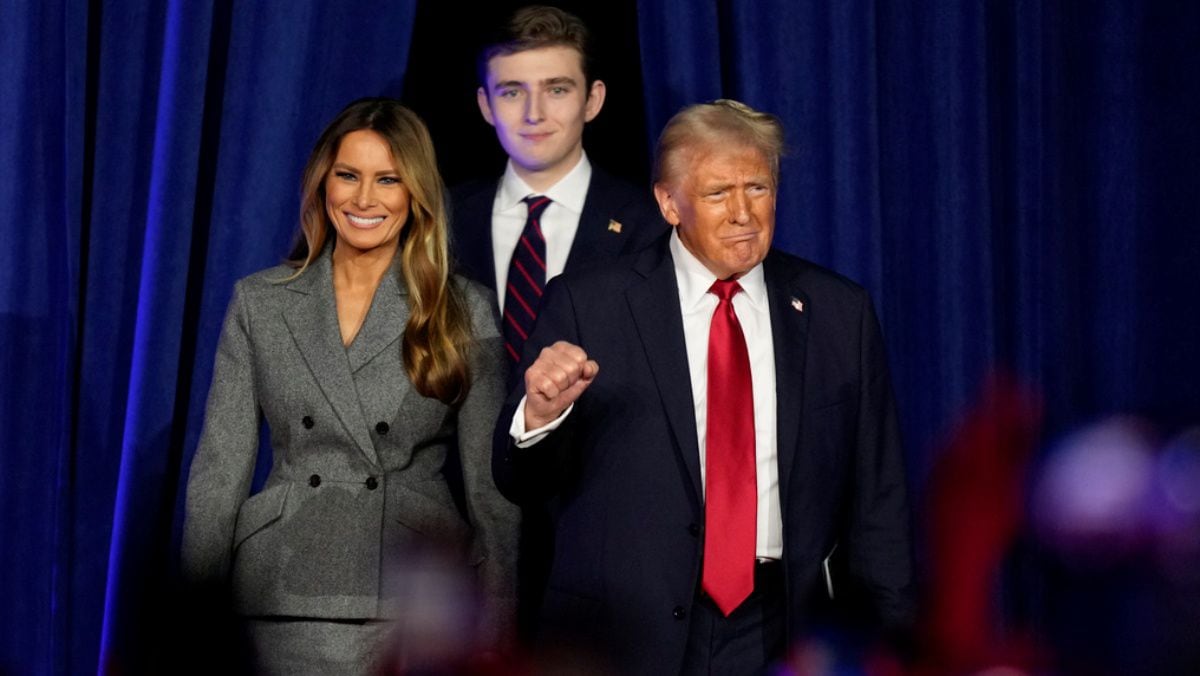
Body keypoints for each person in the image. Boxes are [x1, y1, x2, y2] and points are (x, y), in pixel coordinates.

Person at [493, 99, 916, 674]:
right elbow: (519, 481)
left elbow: (878, 505)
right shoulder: (590, 303)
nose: (744, 212)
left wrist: (889, 649)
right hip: (625, 637)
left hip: (781, 632)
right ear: (670, 203)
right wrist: (540, 414)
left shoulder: (840, 312)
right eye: (719, 193)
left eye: (759, 188)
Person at [181, 98, 517, 674]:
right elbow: (219, 474)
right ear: (322, 183)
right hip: (280, 589)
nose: (364, 199)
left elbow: (493, 495)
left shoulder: (464, 310)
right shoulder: (259, 303)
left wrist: (493, 629)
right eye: (348, 176)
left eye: (388, 179)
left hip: (412, 595)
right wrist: (191, 622)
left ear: (415, 195)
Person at [451, 5, 666, 365]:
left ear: (592, 101)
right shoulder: (444, 217)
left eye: (557, 90)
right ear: (486, 105)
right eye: (512, 92)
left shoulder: (648, 224)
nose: (534, 113)